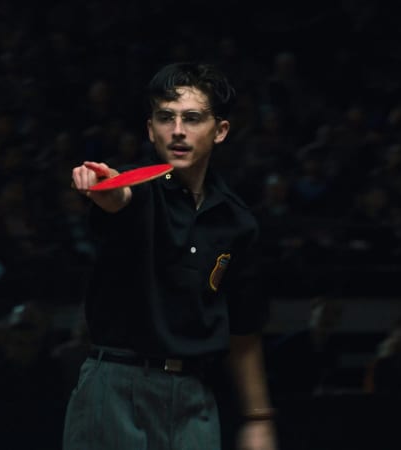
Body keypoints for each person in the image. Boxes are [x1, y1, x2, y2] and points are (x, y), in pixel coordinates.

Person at [67, 62, 277, 450]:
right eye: (166, 118)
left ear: (220, 131)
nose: (178, 130)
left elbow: (244, 331)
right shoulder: (135, 191)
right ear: (151, 129)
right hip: (116, 385)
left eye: (192, 118)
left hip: (193, 396)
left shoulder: (238, 221)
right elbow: (116, 198)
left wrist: (257, 418)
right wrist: (103, 188)